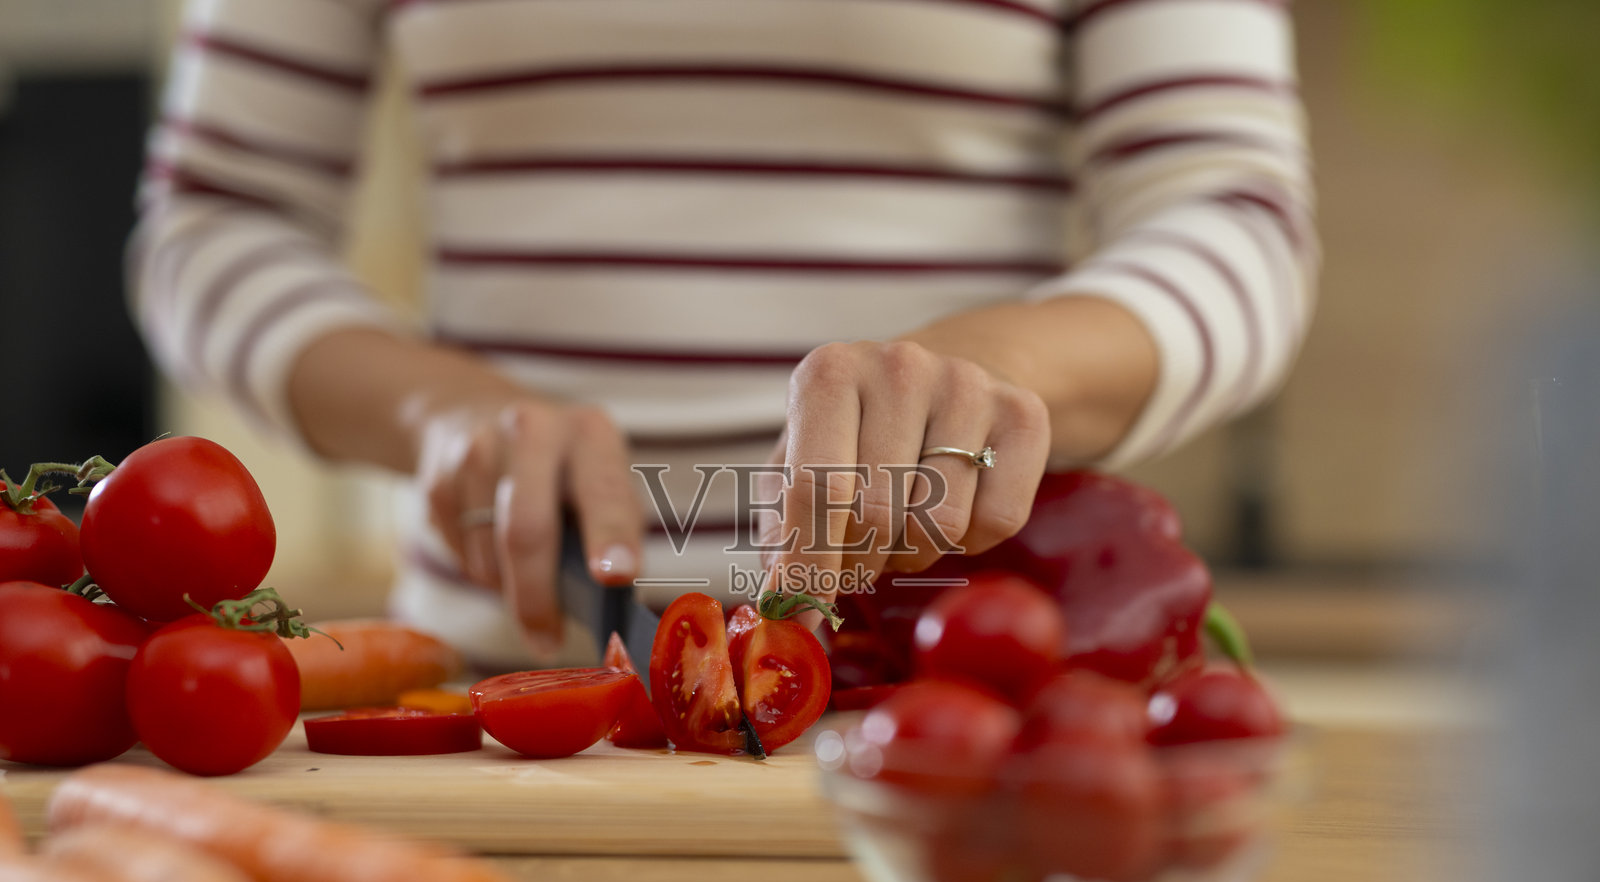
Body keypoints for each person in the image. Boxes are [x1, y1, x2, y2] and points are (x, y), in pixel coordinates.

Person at [132, 0, 1316, 668]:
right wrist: (432, 408)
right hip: (494, 691)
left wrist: (999, 369)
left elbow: (1237, 222)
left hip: (945, 682)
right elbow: (211, 224)